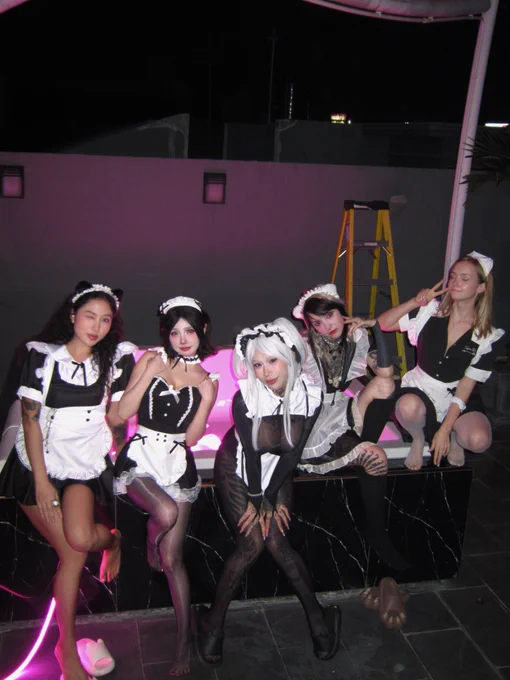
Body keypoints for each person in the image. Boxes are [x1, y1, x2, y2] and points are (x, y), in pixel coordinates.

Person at [0, 280, 137, 680]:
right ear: (73, 315)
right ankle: (66, 650)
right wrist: (42, 483)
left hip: (82, 465)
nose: (96, 326)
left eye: (105, 320)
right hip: (36, 466)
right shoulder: (42, 357)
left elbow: (117, 417)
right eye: (89, 316)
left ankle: (112, 540)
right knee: (73, 554)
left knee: (79, 539)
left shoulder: (113, 362)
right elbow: (30, 421)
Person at [194, 318, 341, 667]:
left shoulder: (310, 394)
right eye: (257, 364)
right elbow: (251, 453)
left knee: (276, 541)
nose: (265, 372)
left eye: (272, 361)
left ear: (289, 356)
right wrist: (258, 499)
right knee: (252, 543)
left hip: (277, 469)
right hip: (237, 465)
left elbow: (293, 453)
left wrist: (272, 494)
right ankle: (212, 626)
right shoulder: (245, 397)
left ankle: (319, 624)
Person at [114, 296, 218, 677]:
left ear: (203, 329)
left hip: (176, 460)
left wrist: (206, 399)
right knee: (166, 512)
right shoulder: (151, 360)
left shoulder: (206, 380)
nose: (183, 339)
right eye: (175, 332)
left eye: (189, 330)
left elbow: (191, 438)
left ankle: (183, 642)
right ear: (166, 334)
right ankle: (151, 535)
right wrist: (148, 373)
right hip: (142, 455)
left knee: (173, 560)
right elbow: (122, 413)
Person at [292, 284, 408, 571]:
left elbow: (385, 372)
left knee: (385, 384)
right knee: (375, 457)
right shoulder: (304, 346)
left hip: (341, 411)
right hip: (314, 421)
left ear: (342, 312)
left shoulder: (355, 337)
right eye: (316, 323)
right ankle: (378, 534)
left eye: (329, 316)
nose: (325, 327)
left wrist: (373, 327)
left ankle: (361, 447)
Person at [376, 251, 505, 470]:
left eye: (464, 279)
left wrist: (445, 429)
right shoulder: (430, 312)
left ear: (481, 287)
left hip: (456, 396)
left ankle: (453, 435)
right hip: (421, 389)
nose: (455, 283)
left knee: (479, 440)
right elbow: (383, 324)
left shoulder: (487, 336)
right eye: (453, 276)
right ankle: (418, 439)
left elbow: (466, 385)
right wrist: (415, 302)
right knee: (407, 407)